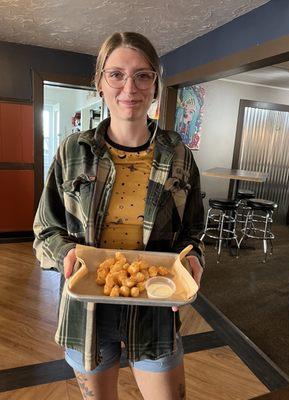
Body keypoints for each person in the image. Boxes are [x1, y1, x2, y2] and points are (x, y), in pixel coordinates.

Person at [33, 31, 205, 400]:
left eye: (143, 75)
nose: (131, 87)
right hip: (88, 309)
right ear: (99, 82)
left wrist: (193, 261)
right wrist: (67, 254)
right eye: (117, 74)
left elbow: (192, 230)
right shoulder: (72, 151)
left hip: (156, 307)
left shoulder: (178, 154)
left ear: (156, 85)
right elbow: (46, 229)